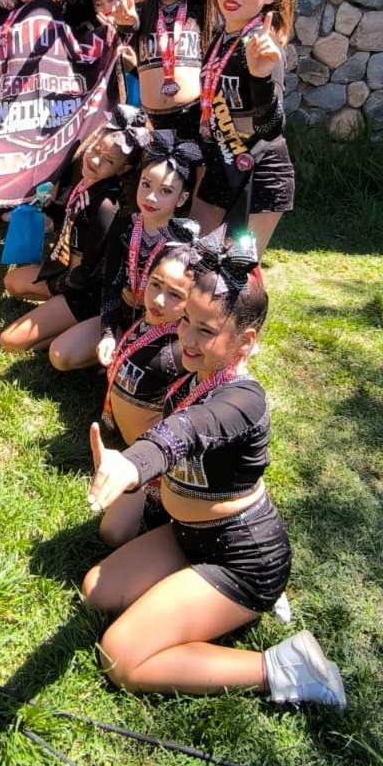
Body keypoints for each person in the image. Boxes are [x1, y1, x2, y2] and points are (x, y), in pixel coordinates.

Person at [82, 231, 346, 710]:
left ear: (245, 341)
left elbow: (186, 431)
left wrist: (134, 464)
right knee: (97, 590)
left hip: (244, 559)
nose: (185, 338)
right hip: (188, 535)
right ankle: (198, 599)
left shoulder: (244, 399)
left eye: (205, 331)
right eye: (185, 320)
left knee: (119, 657)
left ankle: (290, 667)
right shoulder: (194, 372)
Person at [0, 106, 148, 368]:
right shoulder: (87, 179)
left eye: (108, 161)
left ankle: (80, 329)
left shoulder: (107, 206)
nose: (95, 160)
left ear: (123, 168)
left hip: (87, 290)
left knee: (9, 341)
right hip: (67, 272)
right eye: (96, 150)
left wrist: (55, 287)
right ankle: (62, 320)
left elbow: (89, 273)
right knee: (12, 281)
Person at [192, 0, 296, 255]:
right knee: (192, 260)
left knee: (235, 275)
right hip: (221, 166)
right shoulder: (222, 37)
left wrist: (261, 77)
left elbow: (271, 127)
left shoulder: (262, 46)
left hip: (261, 173)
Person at [97, 242, 192, 547]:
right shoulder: (149, 320)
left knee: (113, 533)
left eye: (176, 295)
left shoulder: (184, 351)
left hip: (153, 463)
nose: (159, 300)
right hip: (127, 444)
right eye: (155, 284)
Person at [96, 129, 202, 370]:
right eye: (146, 185)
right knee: (63, 355)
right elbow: (110, 284)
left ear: (182, 198)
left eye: (166, 191)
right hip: (122, 314)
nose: (151, 198)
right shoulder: (124, 226)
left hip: (163, 327)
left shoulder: (186, 242)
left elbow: (186, 305)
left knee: (133, 369)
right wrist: (108, 333)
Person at [114, 0, 222, 146]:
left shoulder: (201, 16)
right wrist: (126, 25)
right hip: (151, 121)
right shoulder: (138, 13)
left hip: (193, 116)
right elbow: (127, 50)